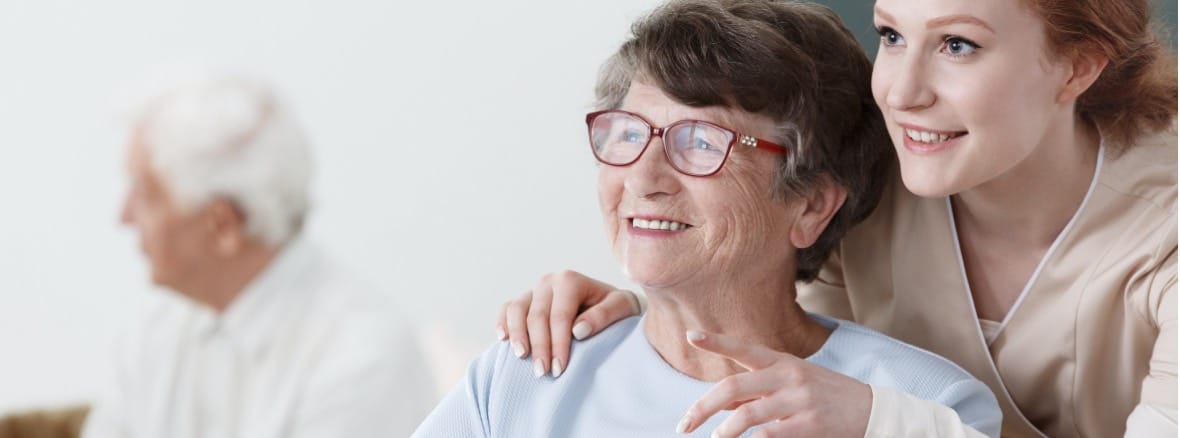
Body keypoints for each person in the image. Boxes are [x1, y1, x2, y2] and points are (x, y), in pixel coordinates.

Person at [497, 0, 1177, 436]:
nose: (902, 92)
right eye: (891, 34)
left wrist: (889, 423)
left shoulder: (1163, 238)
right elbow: (787, 331)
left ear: (1078, 67)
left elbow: (860, 395)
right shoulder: (877, 179)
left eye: (958, 45)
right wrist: (639, 317)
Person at [414, 1, 1003, 436]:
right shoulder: (527, 372)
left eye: (698, 141)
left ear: (812, 203)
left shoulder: (921, 406)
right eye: (627, 133)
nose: (643, 178)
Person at [81, 76, 435, 438]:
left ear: (223, 225)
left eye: (146, 193)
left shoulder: (363, 358)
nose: (123, 216)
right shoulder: (153, 331)